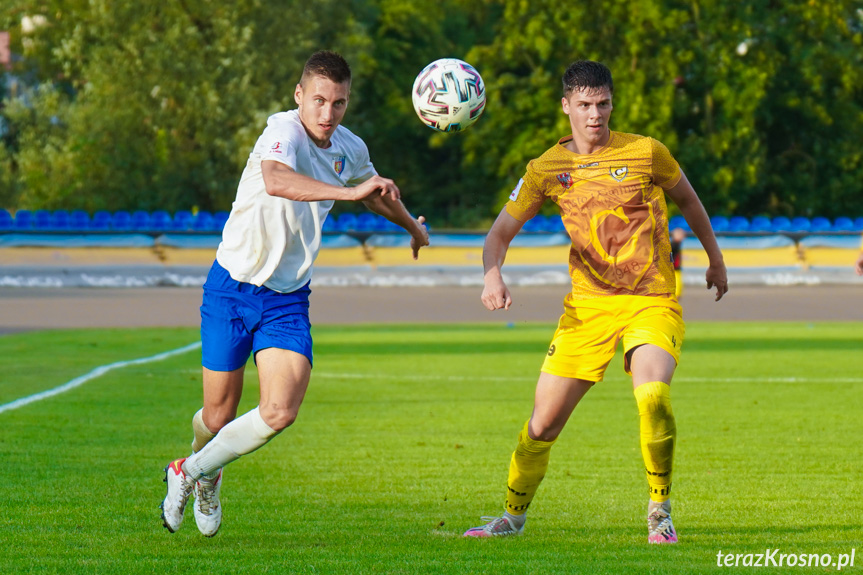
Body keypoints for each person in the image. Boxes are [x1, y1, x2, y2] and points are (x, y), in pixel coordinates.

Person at [160, 50, 429, 537]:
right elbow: (276, 180)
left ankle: (191, 471)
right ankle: (209, 466)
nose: (328, 115)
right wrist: (345, 193)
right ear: (300, 96)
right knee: (217, 415)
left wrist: (413, 227)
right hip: (231, 289)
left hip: (286, 298)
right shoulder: (281, 132)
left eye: (340, 103)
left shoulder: (349, 147)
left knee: (280, 410)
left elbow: (373, 191)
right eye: (320, 100)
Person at [463, 60, 727, 544]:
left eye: (602, 104)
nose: (594, 115)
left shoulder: (648, 153)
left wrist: (716, 259)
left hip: (651, 300)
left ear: (612, 103)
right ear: (566, 106)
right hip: (587, 311)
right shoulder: (546, 169)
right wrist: (492, 274)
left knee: (652, 395)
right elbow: (498, 233)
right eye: (584, 105)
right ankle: (511, 518)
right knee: (541, 426)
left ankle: (659, 512)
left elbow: (689, 201)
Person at [670, 227, 687, 298]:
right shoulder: (674, 244)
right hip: (674, 269)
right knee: (676, 288)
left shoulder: (676, 244)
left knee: (678, 287)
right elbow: (669, 255)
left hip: (676, 268)